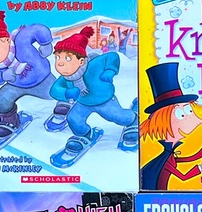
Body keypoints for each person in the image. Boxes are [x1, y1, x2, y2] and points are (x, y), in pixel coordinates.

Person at [50, 26, 138, 157]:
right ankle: (85, 134)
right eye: (58, 58)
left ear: (81, 60)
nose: (60, 63)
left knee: (117, 116)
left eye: (67, 58)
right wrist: (66, 93)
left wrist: (110, 70)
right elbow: (55, 89)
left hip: (104, 100)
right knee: (73, 119)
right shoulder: (66, 76)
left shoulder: (94, 64)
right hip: (83, 103)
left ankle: (133, 119)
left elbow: (112, 56)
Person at [140, 62, 202, 190]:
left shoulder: (170, 153)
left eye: (189, 110)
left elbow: (194, 156)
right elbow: (183, 177)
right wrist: (201, 168)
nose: (190, 117)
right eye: (181, 114)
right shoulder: (165, 158)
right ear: (163, 119)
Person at [0, 11, 59, 139]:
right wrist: (2, 76)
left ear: (6, 40)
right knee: (1, 99)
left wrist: (46, 43)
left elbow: (37, 29)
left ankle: (67, 106)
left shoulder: (21, 40)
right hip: (16, 86)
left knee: (57, 93)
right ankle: (8, 122)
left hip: (43, 79)